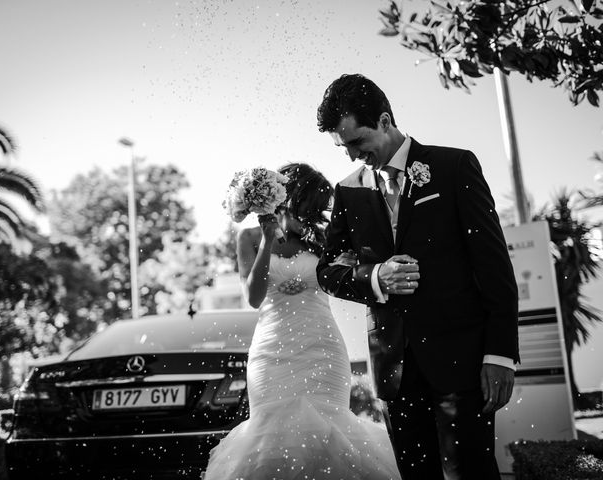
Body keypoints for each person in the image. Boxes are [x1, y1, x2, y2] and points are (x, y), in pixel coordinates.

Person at [315, 74, 519, 480]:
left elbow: (494, 266)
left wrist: (499, 354)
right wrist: (375, 277)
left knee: (472, 473)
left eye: (357, 142)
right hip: (396, 371)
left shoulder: (453, 166)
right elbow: (328, 271)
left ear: (386, 120)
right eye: (343, 148)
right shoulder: (348, 190)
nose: (353, 156)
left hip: (461, 363)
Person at [203, 163, 401, 479]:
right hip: (272, 353)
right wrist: (268, 241)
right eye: (312, 205)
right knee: (271, 440)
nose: (317, 213)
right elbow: (253, 298)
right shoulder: (250, 237)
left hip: (324, 349)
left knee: (332, 435)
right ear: (291, 198)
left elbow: (346, 277)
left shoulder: (320, 238)